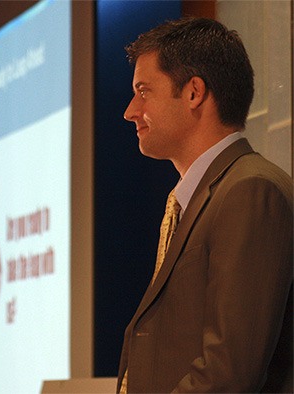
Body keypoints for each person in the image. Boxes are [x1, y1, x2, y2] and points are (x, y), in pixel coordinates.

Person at [118, 17, 292, 393]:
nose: (130, 111)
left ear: (194, 92)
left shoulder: (251, 190)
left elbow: (229, 372)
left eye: (143, 91)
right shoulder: (202, 195)